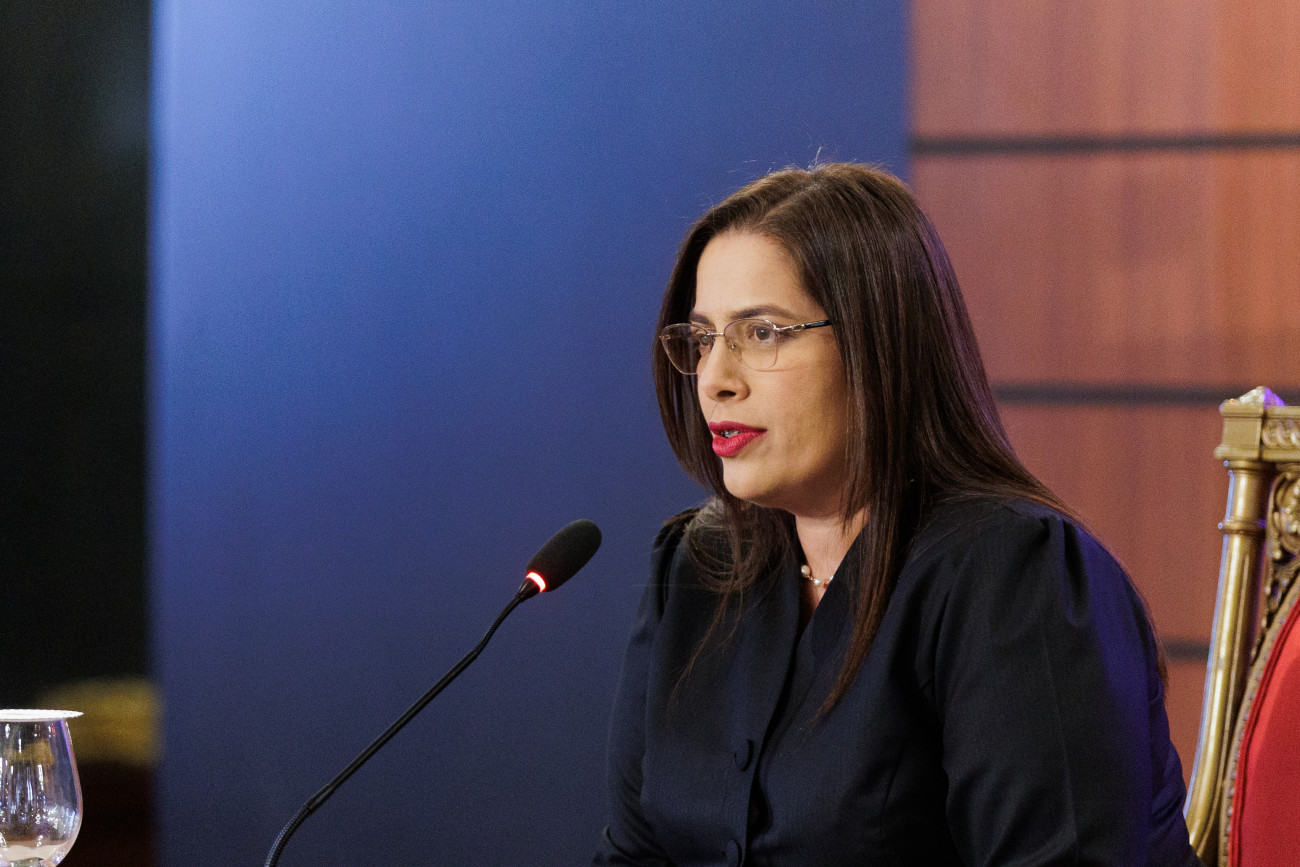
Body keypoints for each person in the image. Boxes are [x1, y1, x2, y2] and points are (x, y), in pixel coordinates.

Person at [593, 164, 1203, 866]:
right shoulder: (697, 568)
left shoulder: (1015, 577)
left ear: (877, 344)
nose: (714, 379)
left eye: (760, 333)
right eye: (702, 340)